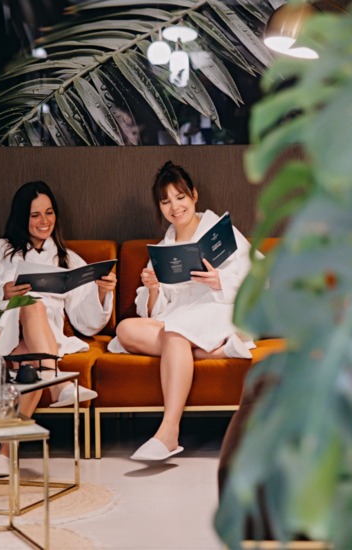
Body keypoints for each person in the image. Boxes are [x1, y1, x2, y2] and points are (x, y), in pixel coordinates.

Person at [0, 180, 116, 477]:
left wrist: (101, 292)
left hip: (40, 342)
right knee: (30, 302)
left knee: (31, 364)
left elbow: (86, 322)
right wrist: (1, 294)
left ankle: (4, 454)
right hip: (3, 333)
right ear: (22, 217)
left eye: (49, 213)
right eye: (35, 215)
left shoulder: (67, 259)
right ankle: (58, 382)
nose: (44, 221)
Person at [108, 161, 256, 461]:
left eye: (180, 197)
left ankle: (169, 432)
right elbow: (152, 314)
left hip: (219, 309)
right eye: (165, 201)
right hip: (181, 319)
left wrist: (221, 280)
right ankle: (218, 352)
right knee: (125, 330)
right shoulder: (165, 247)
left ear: (194, 196)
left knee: (175, 334)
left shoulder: (219, 231)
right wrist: (152, 289)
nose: (174, 207)